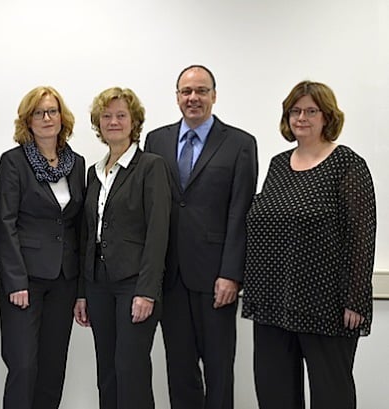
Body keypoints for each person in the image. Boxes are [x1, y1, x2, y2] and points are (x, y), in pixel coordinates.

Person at [242, 80, 376, 409]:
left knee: (331, 396)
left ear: (327, 117)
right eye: (295, 110)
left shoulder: (347, 164)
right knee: (274, 394)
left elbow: (362, 235)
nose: (302, 117)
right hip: (273, 302)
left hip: (327, 305)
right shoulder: (277, 165)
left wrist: (356, 299)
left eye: (311, 110)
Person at [144, 64, 258, 409]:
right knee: (179, 369)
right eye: (186, 92)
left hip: (216, 279)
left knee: (219, 368)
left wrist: (231, 274)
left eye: (201, 91)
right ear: (177, 97)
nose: (193, 98)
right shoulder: (156, 140)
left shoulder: (240, 143)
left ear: (214, 95)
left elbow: (241, 213)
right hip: (171, 277)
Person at [74, 87, 171, 409]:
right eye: (106, 116)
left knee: (131, 369)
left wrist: (147, 291)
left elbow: (158, 233)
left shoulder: (150, 167)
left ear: (134, 122)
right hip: (99, 283)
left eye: (121, 116)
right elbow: (87, 234)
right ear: (98, 123)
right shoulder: (94, 172)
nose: (113, 121)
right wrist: (82, 291)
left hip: (134, 283)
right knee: (107, 369)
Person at [0, 86, 85, 409]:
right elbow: (4, 224)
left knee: (52, 367)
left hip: (63, 280)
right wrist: (15, 281)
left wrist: (81, 289)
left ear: (62, 117)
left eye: (52, 111)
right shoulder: (13, 162)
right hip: (26, 282)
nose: (47, 118)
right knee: (23, 365)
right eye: (39, 112)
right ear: (27, 121)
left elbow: (78, 226)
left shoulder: (76, 164)